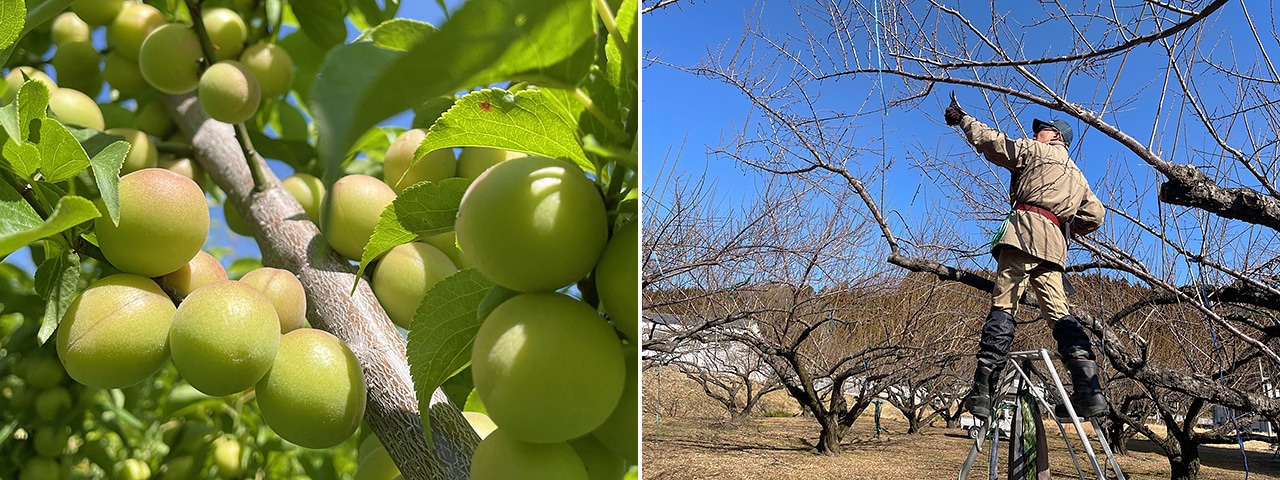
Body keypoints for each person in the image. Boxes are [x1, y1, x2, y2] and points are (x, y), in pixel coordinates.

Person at [943, 98, 1108, 419]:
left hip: (1023, 235)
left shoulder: (1035, 151)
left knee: (1003, 306)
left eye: (1041, 130)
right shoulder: (1078, 176)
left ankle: (983, 392)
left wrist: (963, 119)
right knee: (1061, 316)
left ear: (1056, 136)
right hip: (1053, 248)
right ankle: (1090, 392)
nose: (1035, 134)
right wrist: (1063, 222)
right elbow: (1095, 215)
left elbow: (994, 143)